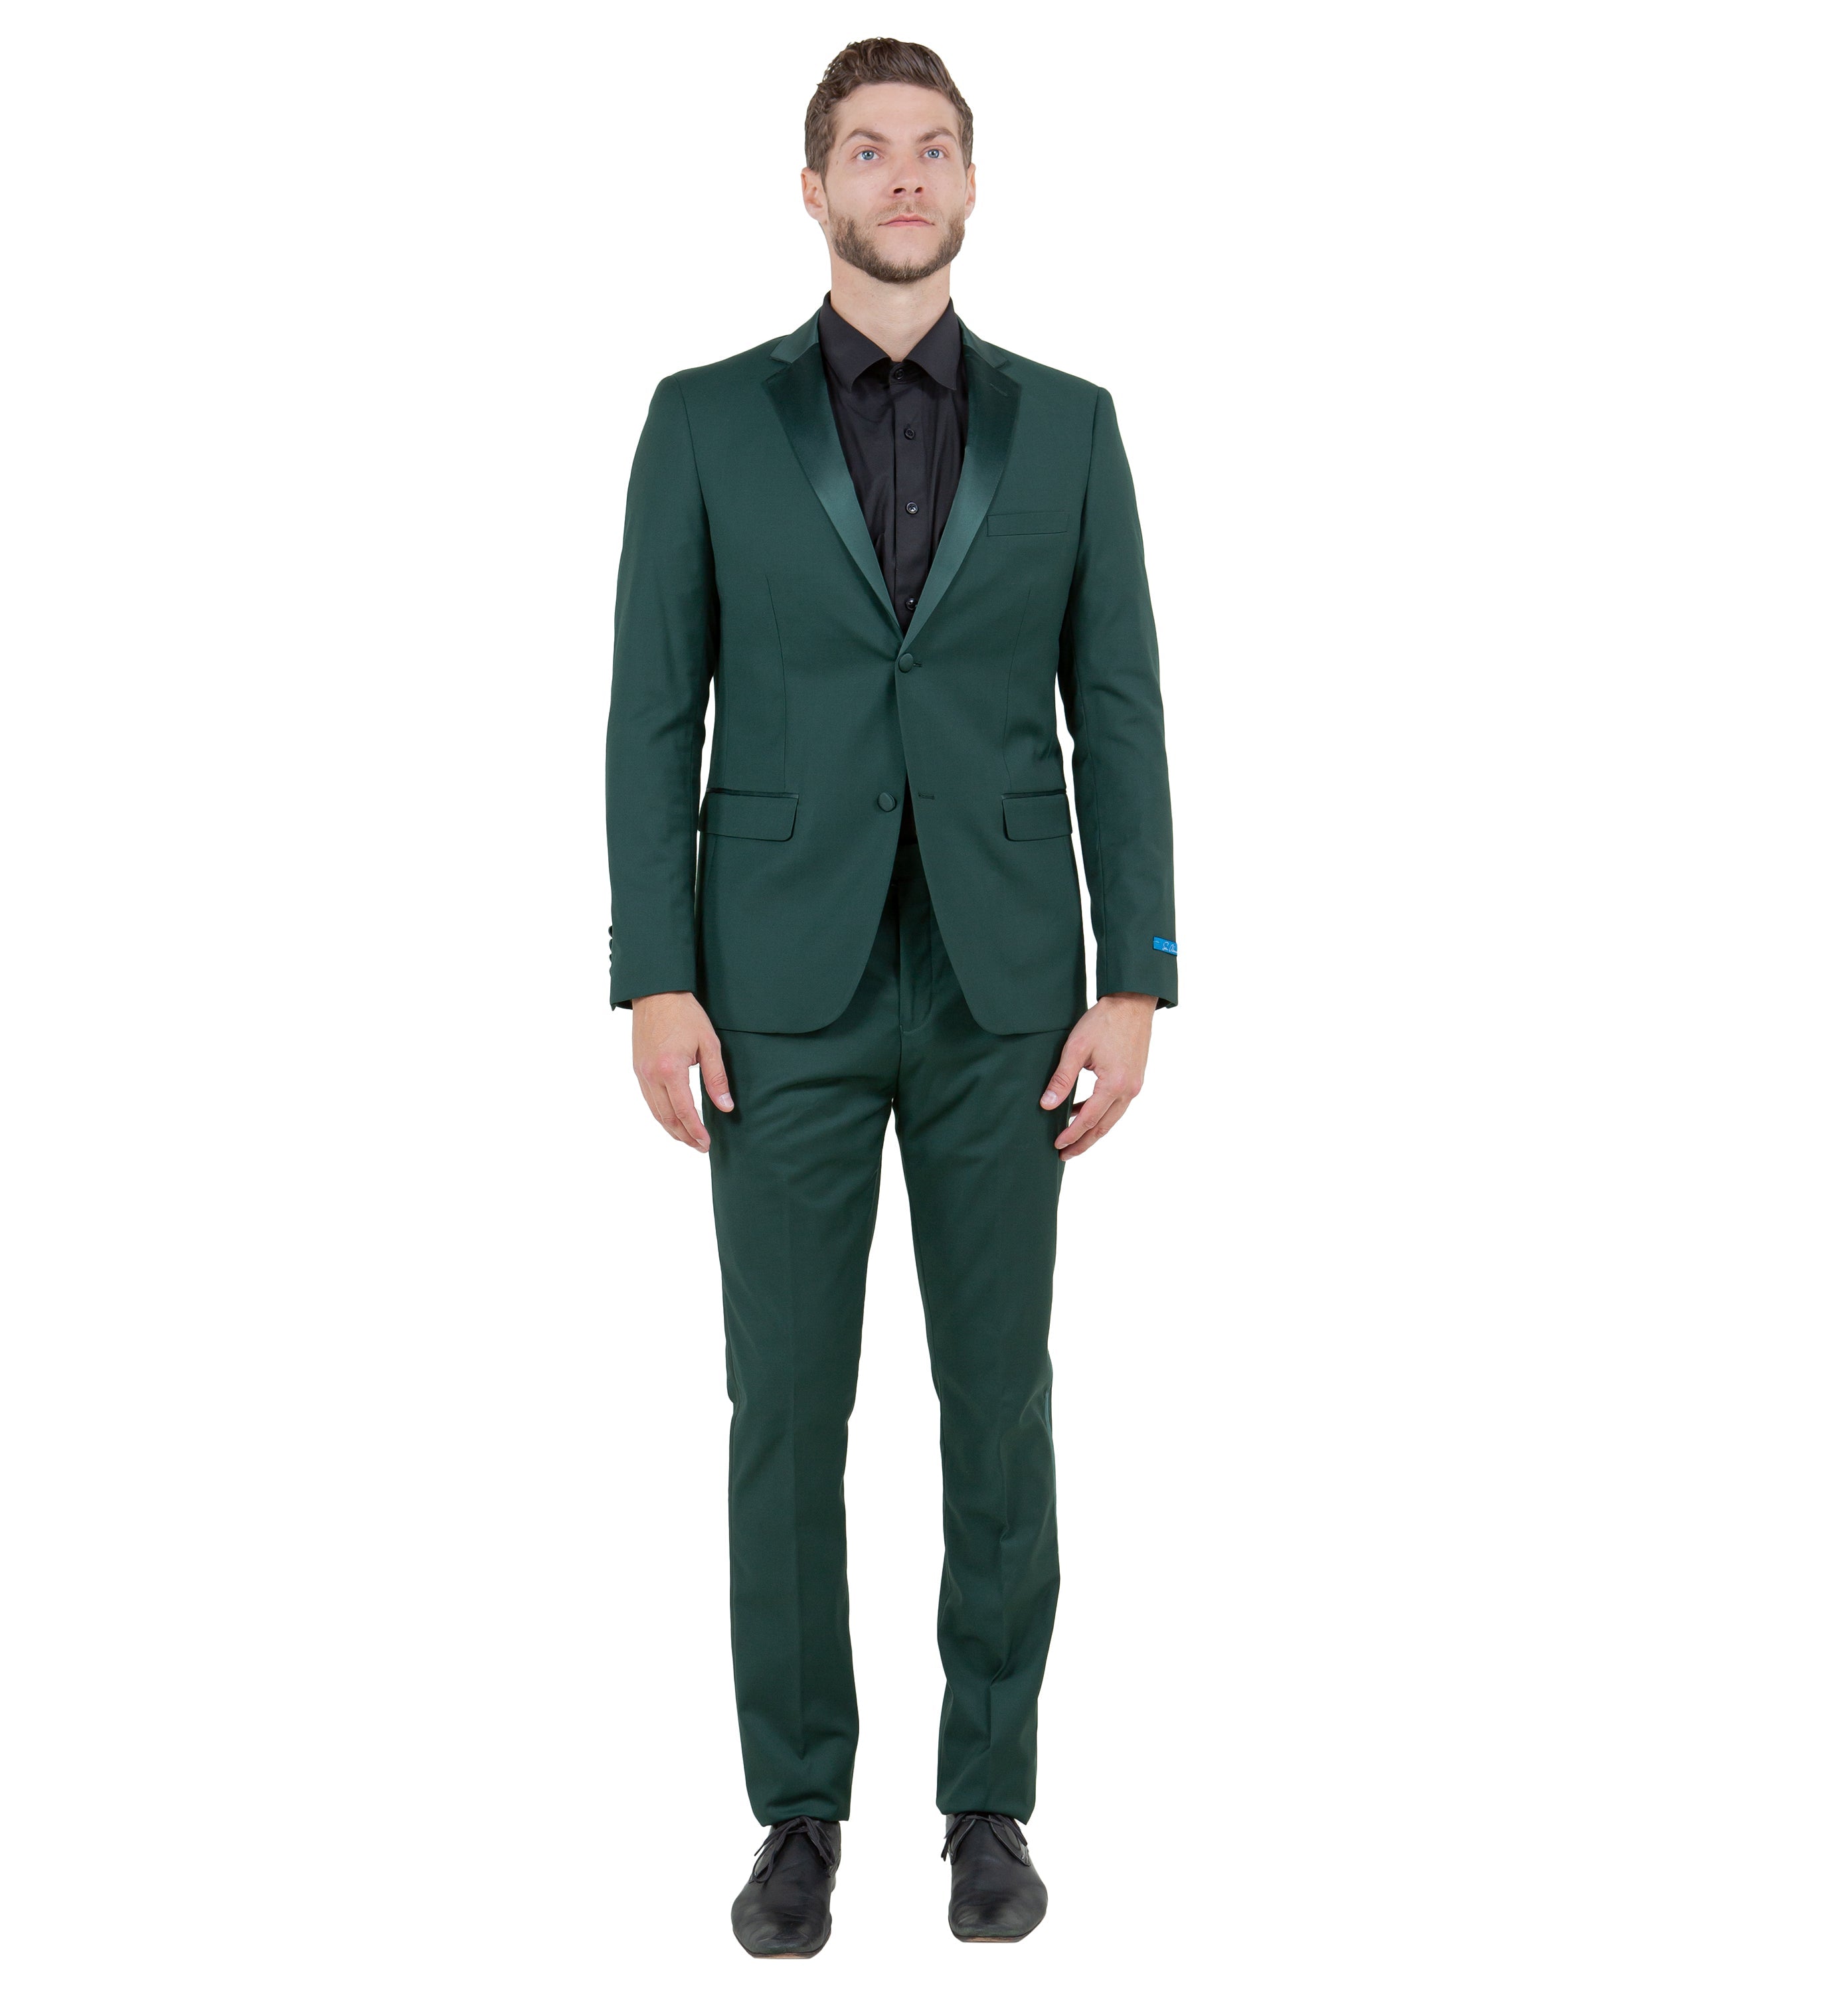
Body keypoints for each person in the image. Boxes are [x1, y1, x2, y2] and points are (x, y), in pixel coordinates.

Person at [604, 37, 1177, 1957]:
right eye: (868, 149)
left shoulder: (1072, 428)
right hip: (774, 995)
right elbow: (650, 711)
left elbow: (1118, 711)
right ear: (814, 189)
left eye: (934, 147)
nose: (904, 175)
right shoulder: (704, 422)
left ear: (974, 184)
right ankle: (798, 1815)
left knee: (997, 1402)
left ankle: (987, 1800)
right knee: (788, 1408)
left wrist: (1137, 979)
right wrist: (656, 975)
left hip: (1011, 992)